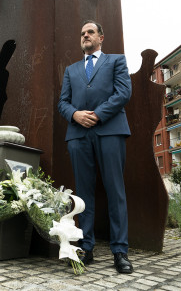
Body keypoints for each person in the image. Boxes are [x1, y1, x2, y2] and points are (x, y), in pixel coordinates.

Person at [57, 20, 133, 274]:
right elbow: (63, 103)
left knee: (115, 190)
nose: (85, 35)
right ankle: (86, 247)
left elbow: (123, 93)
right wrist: (76, 115)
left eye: (90, 32)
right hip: (78, 135)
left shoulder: (116, 61)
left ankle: (120, 251)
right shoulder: (71, 70)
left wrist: (97, 115)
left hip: (110, 130)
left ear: (101, 37)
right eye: (82, 33)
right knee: (83, 194)